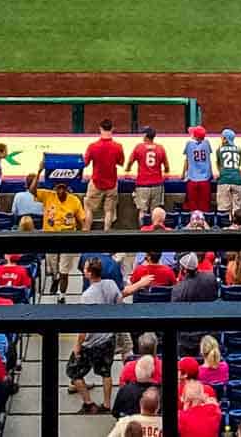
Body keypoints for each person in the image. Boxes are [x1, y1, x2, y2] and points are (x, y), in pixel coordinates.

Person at [68, 258, 119, 412]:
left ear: (89, 273)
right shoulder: (111, 284)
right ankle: (107, 404)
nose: (83, 270)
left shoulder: (87, 296)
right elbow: (119, 302)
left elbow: (85, 326)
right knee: (106, 371)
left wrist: (77, 346)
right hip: (108, 338)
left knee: (73, 372)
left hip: (92, 342)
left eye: (85, 269)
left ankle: (88, 403)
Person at [83, 119, 126, 232]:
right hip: (111, 183)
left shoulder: (93, 146)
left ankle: (86, 231)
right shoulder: (118, 146)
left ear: (100, 129)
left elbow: (85, 163)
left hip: (96, 182)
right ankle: (107, 233)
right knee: (109, 211)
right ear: (112, 129)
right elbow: (121, 162)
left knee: (88, 208)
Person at [130, 127, 170, 223]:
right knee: (155, 211)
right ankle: (154, 230)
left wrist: (127, 170)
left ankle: (142, 229)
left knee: (142, 211)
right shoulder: (160, 148)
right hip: (157, 184)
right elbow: (167, 167)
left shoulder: (138, 147)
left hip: (142, 184)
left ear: (145, 136)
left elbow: (129, 162)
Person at [182, 125, 212, 212]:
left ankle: (193, 224)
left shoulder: (189, 144)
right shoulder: (207, 143)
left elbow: (187, 159)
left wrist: (183, 174)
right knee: (204, 207)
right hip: (205, 179)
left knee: (193, 207)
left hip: (192, 179)